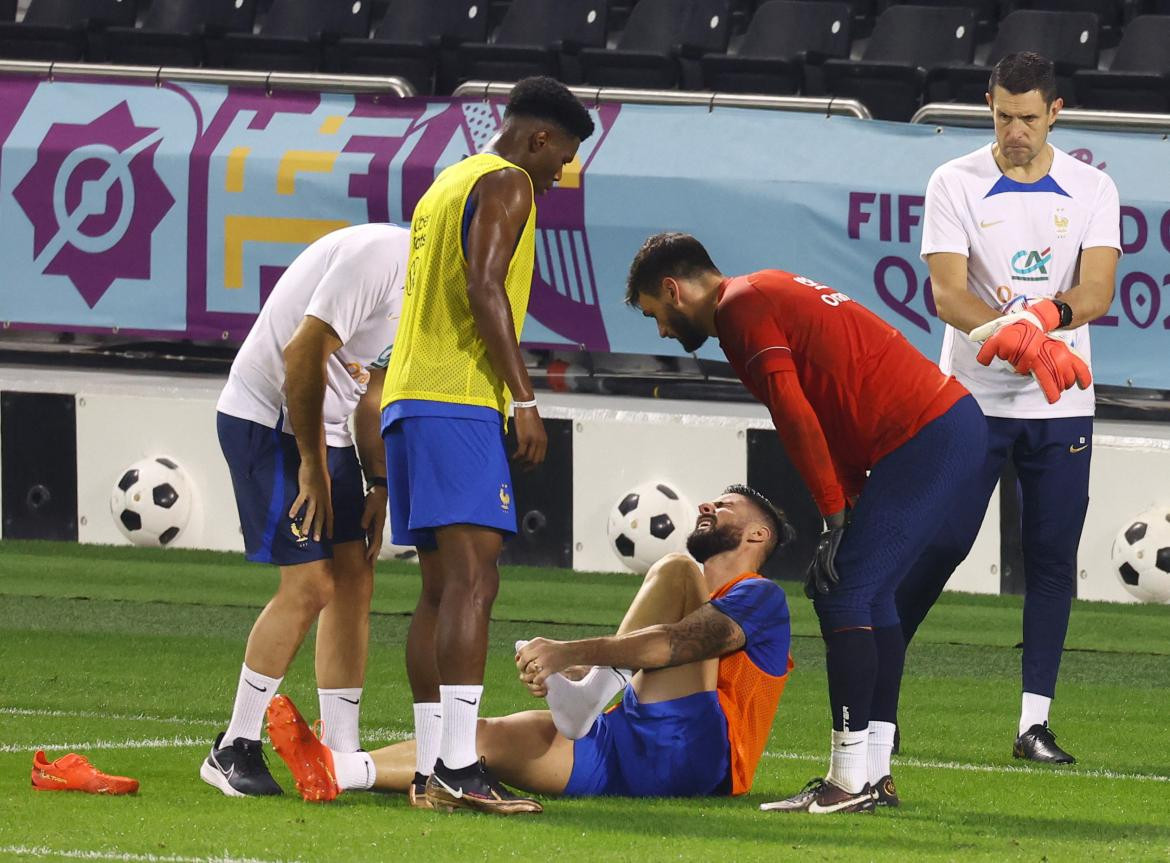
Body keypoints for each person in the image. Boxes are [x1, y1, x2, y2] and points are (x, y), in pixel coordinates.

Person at [626, 233, 985, 814]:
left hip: (927, 435)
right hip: (933, 432)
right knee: (870, 598)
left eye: (656, 314)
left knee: (844, 596)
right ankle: (873, 776)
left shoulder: (741, 307)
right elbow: (828, 412)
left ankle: (848, 782)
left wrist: (833, 516)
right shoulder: (758, 292)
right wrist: (844, 501)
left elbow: (796, 416)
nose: (663, 330)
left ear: (674, 288)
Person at [264, 485, 794, 810]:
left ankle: (585, 695)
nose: (706, 504)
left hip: (696, 756)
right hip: (626, 739)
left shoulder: (760, 596)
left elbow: (674, 647)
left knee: (675, 566)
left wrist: (569, 655)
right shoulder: (691, 590)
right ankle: (339, 770)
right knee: (475, 742)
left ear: (757, 536)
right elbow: (650, 652)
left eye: (724, 506)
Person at [895, 51, 1120, 764]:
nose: (1014, 130)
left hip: (1063, 402)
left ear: (1056, 112)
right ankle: (878, 708)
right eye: (1002, 115)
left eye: (1028, 117)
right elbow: (948, 294)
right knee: (937, 548)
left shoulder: (1092, 187)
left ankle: (1034, 724)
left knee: (1052, 560)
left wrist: (1043, 320)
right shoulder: (952, 181)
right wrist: (1010, 337)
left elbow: (1097, 291)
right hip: (969, 399)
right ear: (987, 104)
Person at [378, 77, 595, 814]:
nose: (559, 176)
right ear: (539, 139)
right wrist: (524, 397)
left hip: (408, 396)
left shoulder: (448, 182)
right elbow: (484, 287)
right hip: (456, 400)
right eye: (561, 158)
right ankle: (459, 767)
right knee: (475, 581)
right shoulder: (508, 183)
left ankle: (431, 766)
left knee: (440, 587)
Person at [203, 223, 408, 796]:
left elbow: (374, 389)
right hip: (267, 420)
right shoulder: (381, 257)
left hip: (326, 431)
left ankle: (339, 752)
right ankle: (233, 745)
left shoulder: (438, 286)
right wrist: (312, 467)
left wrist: (381, 483)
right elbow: (301, 352)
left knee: (354, 577)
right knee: (311, 585)